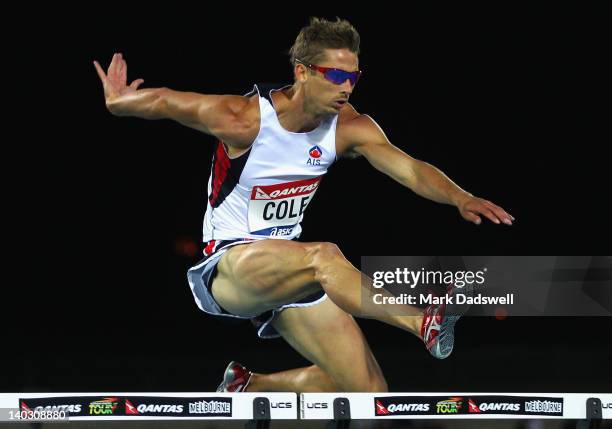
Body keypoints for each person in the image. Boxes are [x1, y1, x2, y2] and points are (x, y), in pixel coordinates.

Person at [94, 17, 514, 393]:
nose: (346, 86)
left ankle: (251, 387)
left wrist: (461, 196)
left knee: (368, 392)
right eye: (335, 75)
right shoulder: (243, 119)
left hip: (292, 271)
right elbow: (168, 101)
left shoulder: (349, 126)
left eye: (354, 75)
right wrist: (119, 102)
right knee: (325, 256)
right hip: (231, 269)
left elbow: (410, 169)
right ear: (302, 72)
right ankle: (421, 321)